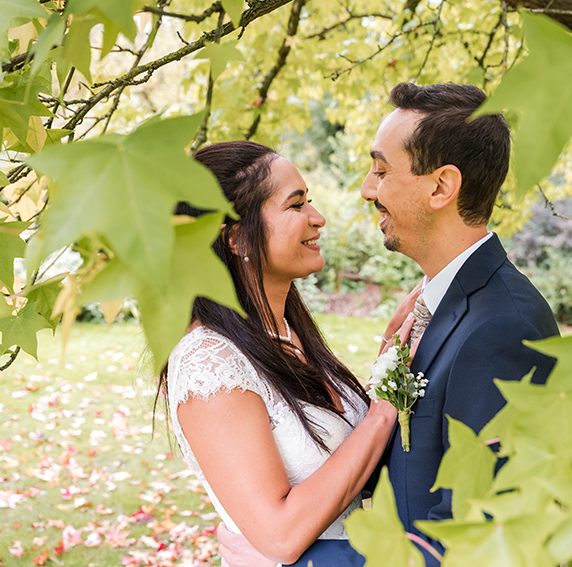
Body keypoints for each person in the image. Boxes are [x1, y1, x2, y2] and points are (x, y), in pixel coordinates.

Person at [218, 83, 560, 566]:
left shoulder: (502, 327)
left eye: (381, 170)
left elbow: (479, 538)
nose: (366, 189)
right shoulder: (437, 307)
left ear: (441, 187)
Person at [157, 141, 412, 566]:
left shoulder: (287, 333)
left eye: (308, 200)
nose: (318, 217)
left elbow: (350, 462)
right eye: (296, 205)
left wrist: (389, 357)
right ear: (237, 237)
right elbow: (280, 535)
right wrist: (384, 410)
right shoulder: (210, 363)